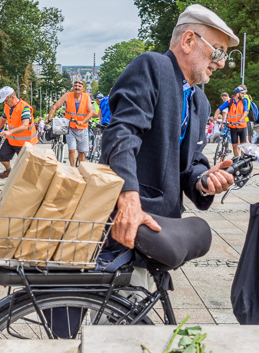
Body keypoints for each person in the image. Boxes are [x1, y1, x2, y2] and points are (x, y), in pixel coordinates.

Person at [101, 3, 236, 251]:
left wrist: (204, 181)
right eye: (218, 52)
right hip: (129, 218)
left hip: (164, 220)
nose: (221, 63)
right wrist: (129, 199)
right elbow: (122, 133)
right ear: (188, 41)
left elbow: (191, 162)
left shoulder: (200, 102)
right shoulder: (153, 66)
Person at [0, 86, 38, 179]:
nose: (5, 103)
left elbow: (25, 125)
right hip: (12, 140)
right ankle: (9, 171)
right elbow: (2, 119)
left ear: (12, 97)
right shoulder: (7, 107)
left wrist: (9, 132)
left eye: (6, 100)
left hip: (25, 142)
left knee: (24, 168)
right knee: (2, 157)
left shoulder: (25, 108)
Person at [48, 80, 96, 166]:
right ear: (73, 87)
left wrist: (82, 122)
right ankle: (73, 169)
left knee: (81, 152)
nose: (77, 87)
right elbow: (55, 106)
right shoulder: (67, 95)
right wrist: (49, 119)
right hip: (70, 128)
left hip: (83, 128)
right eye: (75, 85)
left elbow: (91, 112)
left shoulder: (86, 97)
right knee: (71, 150)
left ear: (83, 88)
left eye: (79, 86)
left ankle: (82, 170)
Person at [214, 86, 248, 157]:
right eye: (242, 93)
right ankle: (236, 160)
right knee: (234, 145)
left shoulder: (244, 101)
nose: (243, 95)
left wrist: (240, 120)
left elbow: (245, 112)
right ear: (237, 94)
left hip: (242, 126)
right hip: (233, 126)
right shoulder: (229, 102)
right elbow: (218, 110)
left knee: (243, 145)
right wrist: (214, 118)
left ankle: (243, 160)